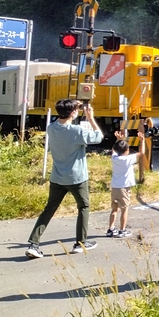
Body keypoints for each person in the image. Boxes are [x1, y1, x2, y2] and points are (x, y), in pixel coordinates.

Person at [26, 99, 103, 258]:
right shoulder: (76, 131)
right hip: (77, 178)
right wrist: (90, 117)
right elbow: (98, 137)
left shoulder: (51, 128)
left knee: (49, 209)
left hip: (57, 177)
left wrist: (71, 105)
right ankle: (80, 243)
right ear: (74, 113)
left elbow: (61, 120)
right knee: (83, 207)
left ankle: (34, 244)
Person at [106, 134, 140, 238]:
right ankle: (122, 230)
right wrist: (142, 141)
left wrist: (118, 140)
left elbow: (113, 151)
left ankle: (111, 229)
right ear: (127, 150)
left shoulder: (114, 158)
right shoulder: (127, 160)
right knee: (124, 209)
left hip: (115, 187)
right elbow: (141, 154)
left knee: (114, 209)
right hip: (124, 188)